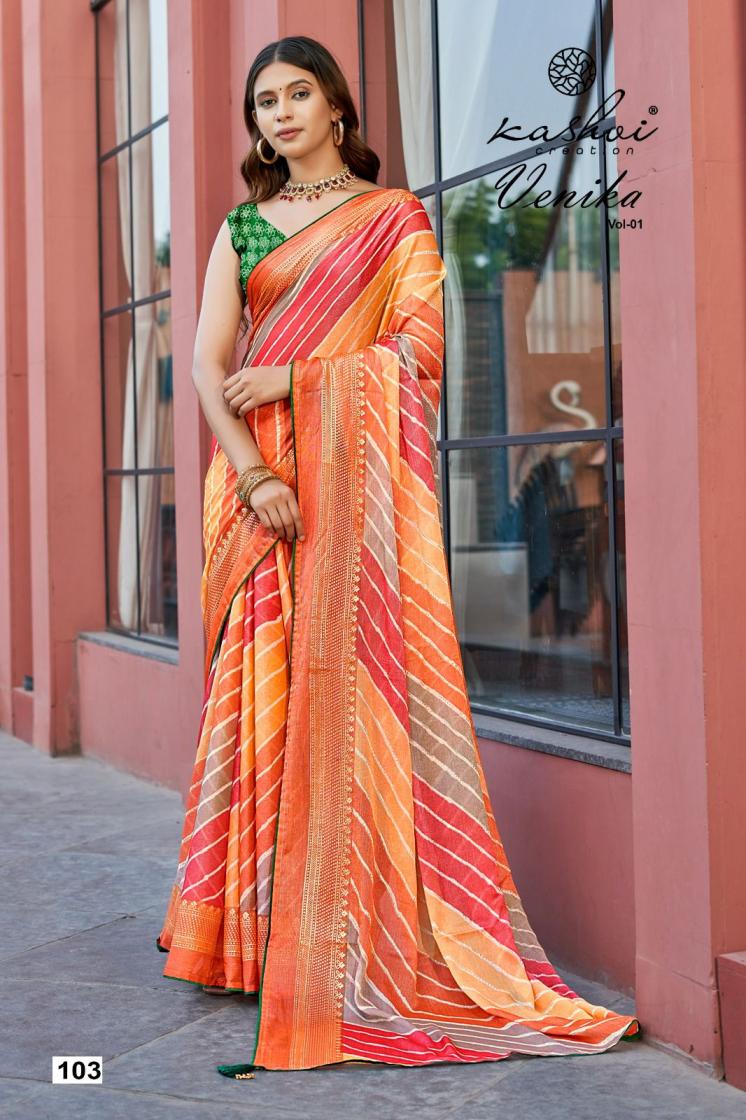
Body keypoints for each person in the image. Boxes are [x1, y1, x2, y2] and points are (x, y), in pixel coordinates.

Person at [155, 34, 641, 1077]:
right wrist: (256, 472)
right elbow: (204, 365)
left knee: (356, 695)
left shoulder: (394, 220)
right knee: (259, 694)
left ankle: (344, 929)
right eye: (265, 102)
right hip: (261, 486)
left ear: (336, 107)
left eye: (298, 94)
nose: (281, 113)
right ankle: (252, 935)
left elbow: (418, 354)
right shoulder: (244, 226)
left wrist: (295, 381)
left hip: (355, 488)